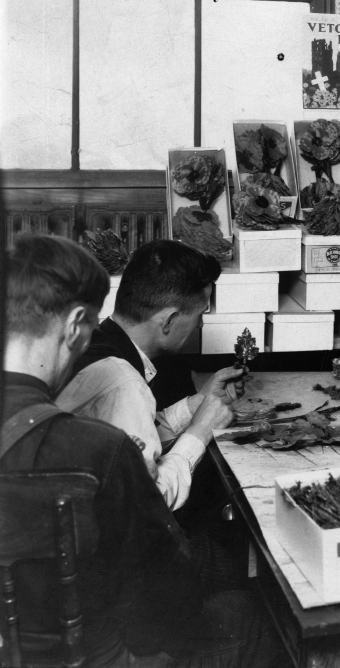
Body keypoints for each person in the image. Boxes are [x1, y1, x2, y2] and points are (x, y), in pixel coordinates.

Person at [1, 235, 283, 668]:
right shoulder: (116, 392)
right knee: (259, 611)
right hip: (96, 646)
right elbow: (157, 540)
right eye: (91, 321)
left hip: (27, 632)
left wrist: (195, 406)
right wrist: (202, 430)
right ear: (77, 321)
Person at [56, 239, 243, 510]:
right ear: (168, 320)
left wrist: (197, 404)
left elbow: (130, 436)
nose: (200, 323)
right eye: (200, 314)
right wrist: (199, 433)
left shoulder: (93, 343)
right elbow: (148, 501)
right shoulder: (123, 381)